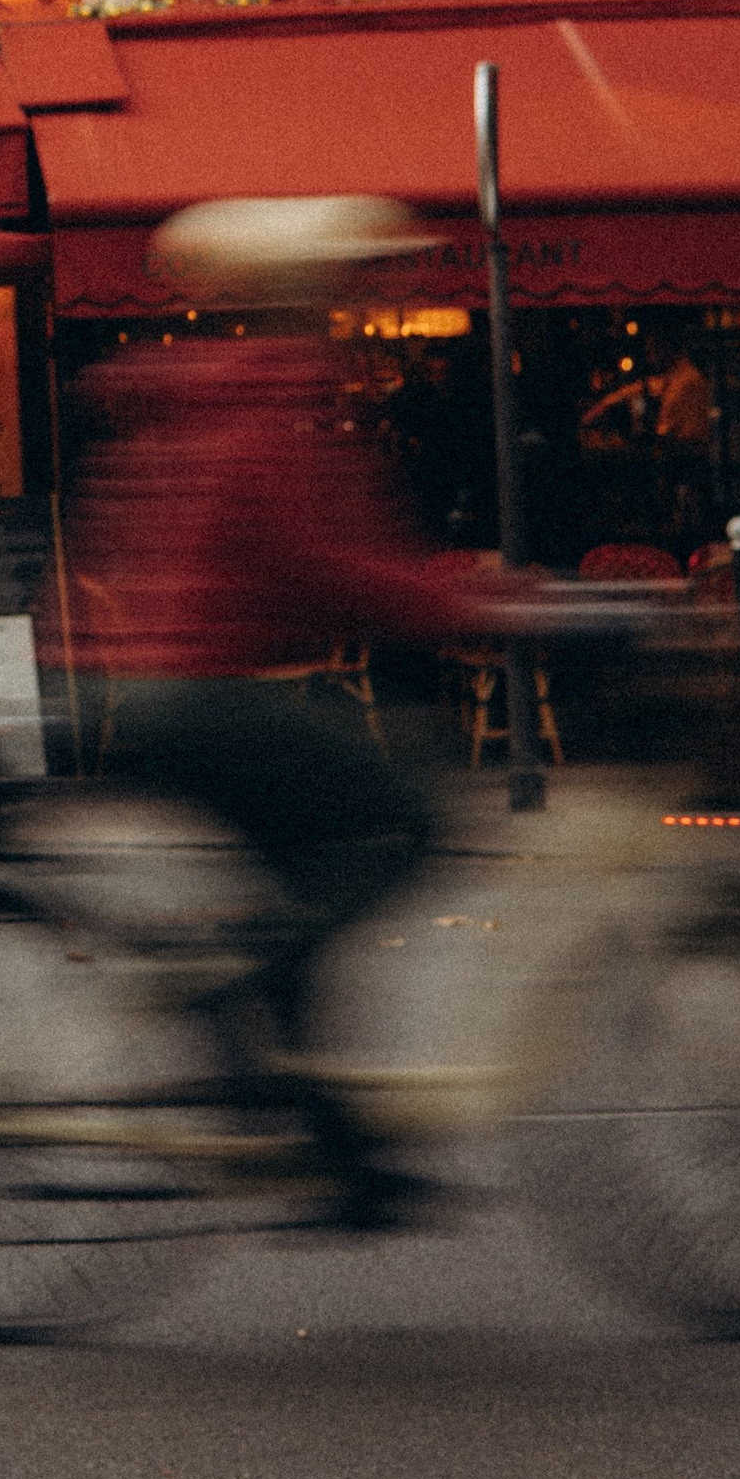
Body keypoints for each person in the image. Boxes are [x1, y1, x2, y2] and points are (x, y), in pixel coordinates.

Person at [59, 195, 543, 1220]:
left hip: (151, 694)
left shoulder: (196, 399)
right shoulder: (271, 409)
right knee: (407, 822)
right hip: (204, 697)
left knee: (298, 887)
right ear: (310, 299)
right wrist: (478, 602)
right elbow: (324, 568)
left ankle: (329, 1143)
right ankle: (251, 1009)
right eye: (350, 294)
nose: (362, 312)